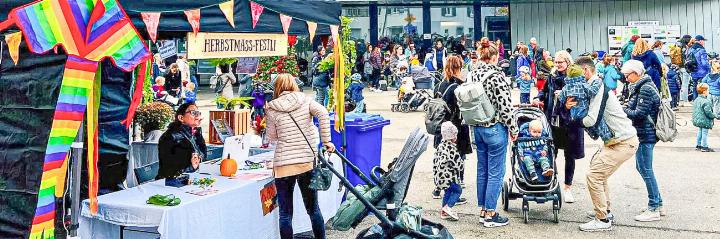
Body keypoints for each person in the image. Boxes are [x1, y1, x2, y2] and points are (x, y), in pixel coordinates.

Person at [564, 58, 639, 232]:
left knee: (594, 176)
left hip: (623, 142)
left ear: (585, 71)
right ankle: (606, 212)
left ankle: (603, 219)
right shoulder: (590, 89)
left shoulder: (598, 88)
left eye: (576, 71)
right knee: (599, 174)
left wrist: (574, 122)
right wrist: (569, 106)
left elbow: (591, 120)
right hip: (614, 141)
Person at [265, 74, 335, 239]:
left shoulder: (272, 108)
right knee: (313, 209)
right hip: (305, 162)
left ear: (277, 87)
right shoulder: (306, 100)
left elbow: (272, 138)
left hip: (283, 166)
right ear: (294, 84)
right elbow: (324, 114)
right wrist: (327, 141)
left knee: (285, 213)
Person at [467, 41, 517, 227]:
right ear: (495, 58)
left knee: (483, 169)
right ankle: (490, 213)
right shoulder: (496, 76)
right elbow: (505, 107)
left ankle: (483, 209)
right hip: (494, 128)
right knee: (496, 172)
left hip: (477, 128)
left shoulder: (471, 74)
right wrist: (514, 128)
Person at [534, 50, 585, 204]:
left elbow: (580, 96)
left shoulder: (574, 77)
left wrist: (564, 95)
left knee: (569, 156)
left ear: (568, 62)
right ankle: (549, 182)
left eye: (560, 62)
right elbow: (544, 93)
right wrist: (538, 98)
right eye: (556, 62)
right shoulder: (552, 75)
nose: (557, 65)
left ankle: (567, 188)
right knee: (550, 153)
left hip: (570, 123)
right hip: (553, 121)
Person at [620, 60, 665, 223]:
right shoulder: (642, 85)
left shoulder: (645, 88)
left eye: (627, 75)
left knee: (646, 169)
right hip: (644, 133)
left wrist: (622, 109)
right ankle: (658, 203)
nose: (625, 79)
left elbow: (639, 113)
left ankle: (653, 207)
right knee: (643, 168)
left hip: (646, 134)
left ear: (636, 73)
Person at [431, 56, 471, 202]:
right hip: (455, 128)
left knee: (442, 158)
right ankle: (454, 190)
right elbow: (463, 109)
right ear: (457, 68)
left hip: (440, 127)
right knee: (456, 160)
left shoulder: (440, 84)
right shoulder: (457, 87)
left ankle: (437, 188)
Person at [558, 62, 614, 143]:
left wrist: (564, 98)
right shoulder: (582, 85)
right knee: (600, 122)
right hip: (584, 111)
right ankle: (607, 137)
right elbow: (592, 91)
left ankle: (593, 134)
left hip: (574, 114)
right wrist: (598, 81)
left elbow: (561, 99)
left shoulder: (565, 88)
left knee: (586, 126)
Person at [156, 103, 207, 181]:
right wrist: (192, 166)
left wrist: (198, 161)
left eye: (198, 113)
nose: (198, 116)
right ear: (181, 118)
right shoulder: (170, 137)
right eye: (193, 113)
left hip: (192, 177)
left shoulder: (195, 133)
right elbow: (170, 170)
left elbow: (204, 155)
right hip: (171, 182)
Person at [434, 122, 465, 221]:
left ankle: (443, 212)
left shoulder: (441, 146)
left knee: (447, 192)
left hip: (439, 176)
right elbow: (458, 164)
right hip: (449, 177)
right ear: (453, 137)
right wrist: (461, 165)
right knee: (458, 190)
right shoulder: (451, 148)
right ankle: (448, 207)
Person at [693, 83, 715, 152]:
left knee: (700, 132)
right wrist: (714, 116)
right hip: (704, 120)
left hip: (698, 120)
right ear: (704, 91)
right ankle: (704, 146)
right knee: (705, 133)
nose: (709, 92)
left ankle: (698, 145)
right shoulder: (706, 101)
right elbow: (708, 112)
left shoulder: (696, 99)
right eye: (708, 90)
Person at [690, 35, 711, 100]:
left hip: (693, 72)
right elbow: (704, 63)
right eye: (703, 41)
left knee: (695, 88)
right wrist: (709, 67)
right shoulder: (702, 50)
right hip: (702, 73)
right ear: (700, 41)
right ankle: (702, 104)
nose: (704, 42)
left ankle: (696, 104)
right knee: (702, 89)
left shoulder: (690, 49)